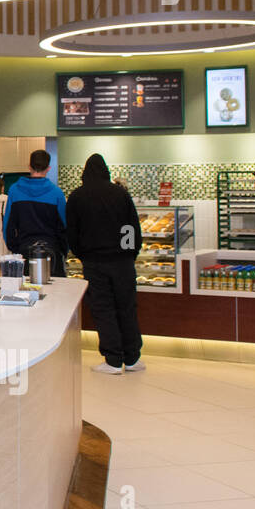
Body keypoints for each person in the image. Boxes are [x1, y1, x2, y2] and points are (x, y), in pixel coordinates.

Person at [67, 153, 144, 375]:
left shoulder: (77, 197)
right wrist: (129, 252)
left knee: (104, 309)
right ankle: (132, 358)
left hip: (94, 263)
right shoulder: (120, 194)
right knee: (127, 307)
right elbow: (131, 228)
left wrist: (83, 255)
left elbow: (73, 233)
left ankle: (112, 360)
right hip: (122, 262)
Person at [3, 150, 67, 277]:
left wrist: (15, 249)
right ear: (48, 168)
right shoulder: (57, 193)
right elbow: (64, 227)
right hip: (51, 253)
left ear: (29, 166)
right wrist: (63, 251)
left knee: (26, 293)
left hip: (24, 253)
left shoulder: (15, 191)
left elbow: (8, 226)